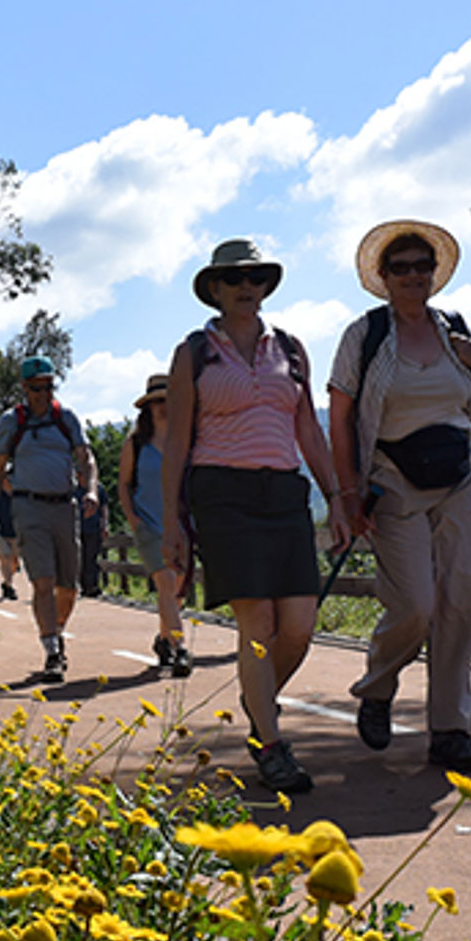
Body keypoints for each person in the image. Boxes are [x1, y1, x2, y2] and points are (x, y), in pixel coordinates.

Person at [162, 238, 352, 794]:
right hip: (221, 494)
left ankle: (256, 701)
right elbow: (175, 443)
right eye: (235, 279)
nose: (248, 287)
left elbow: (309, 430)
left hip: (284, 494)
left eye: (257, 278)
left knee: (299, 625)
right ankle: (270, 746)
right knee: (258, 626)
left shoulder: (289, 349)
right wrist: (173, 522)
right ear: (215, 291)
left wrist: (336, 497)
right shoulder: (194, 353)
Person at [326, 219, 471, 774]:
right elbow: (340, 417)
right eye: (400, 267)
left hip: (458, 479)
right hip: (391, 478)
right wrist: (347, 492)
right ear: (382, 276)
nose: (412, 276)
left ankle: (451, 731)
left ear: (434, 274)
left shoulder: (456, 332)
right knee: (416, 605)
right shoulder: (365, 335)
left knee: (460, 604)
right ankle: (378, 687)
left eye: (421, 266)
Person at [0, 356, 101, 683]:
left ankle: (57, 631)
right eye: (37, 387)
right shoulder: (13, 422)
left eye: (49, 386)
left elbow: (86, 457)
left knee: (69, 587)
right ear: (24, 388)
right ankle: (51, 651)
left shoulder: (66, 418)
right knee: (43, 581)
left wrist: (90, 490)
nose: (43, 393)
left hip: (65, 507)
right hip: (29, 507)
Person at [119, 373, 191, 676]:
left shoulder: (184, 440)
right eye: (156, 401)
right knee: (165, 583)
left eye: (166, 400)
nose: (161, 406)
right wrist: (134, 521)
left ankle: (163, 640)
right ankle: (180, 649)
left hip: (181, 526)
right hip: (149, 525)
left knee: (176, 592)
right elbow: (124, 484)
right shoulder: (135, 443)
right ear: (146, 407)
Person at [79, 481, 110, 598]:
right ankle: (83, 586)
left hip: (93, 528)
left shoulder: (99, 488)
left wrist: (105, 525)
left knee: (92, 558)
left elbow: (104, 507)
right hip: (78, 528)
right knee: (80, 558)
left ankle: (93, 586)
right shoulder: (74, 488)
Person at [0, 492, 22, 601]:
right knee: (5, 558)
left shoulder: (19, 493)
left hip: (16, 532)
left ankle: (5, 583)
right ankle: (10, 587)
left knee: (15, 562)